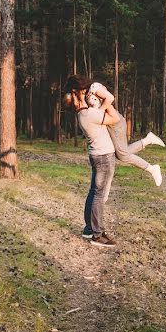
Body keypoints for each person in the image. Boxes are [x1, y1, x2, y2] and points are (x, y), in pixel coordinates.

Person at [64, 74, 165, 186]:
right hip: (109, 123)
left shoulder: (94, 88)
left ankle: (152, 168)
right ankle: (148, 140)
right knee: (121, 153)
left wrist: (100, 111)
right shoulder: (86, 95)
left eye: (73, 91)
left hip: (116, 123)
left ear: (76, 87)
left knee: (123, 155)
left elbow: (110, 97)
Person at [65, 88, 120, 247]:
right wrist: (105, 101)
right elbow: (114, 118)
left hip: (97, 156)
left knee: (93, 192)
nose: (83, 93)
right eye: (78, 93)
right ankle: (97, 235)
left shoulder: (83, 114)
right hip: (104, 157)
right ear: (76, 100)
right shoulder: (89, 114)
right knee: (98, 195)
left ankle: (89, 228)